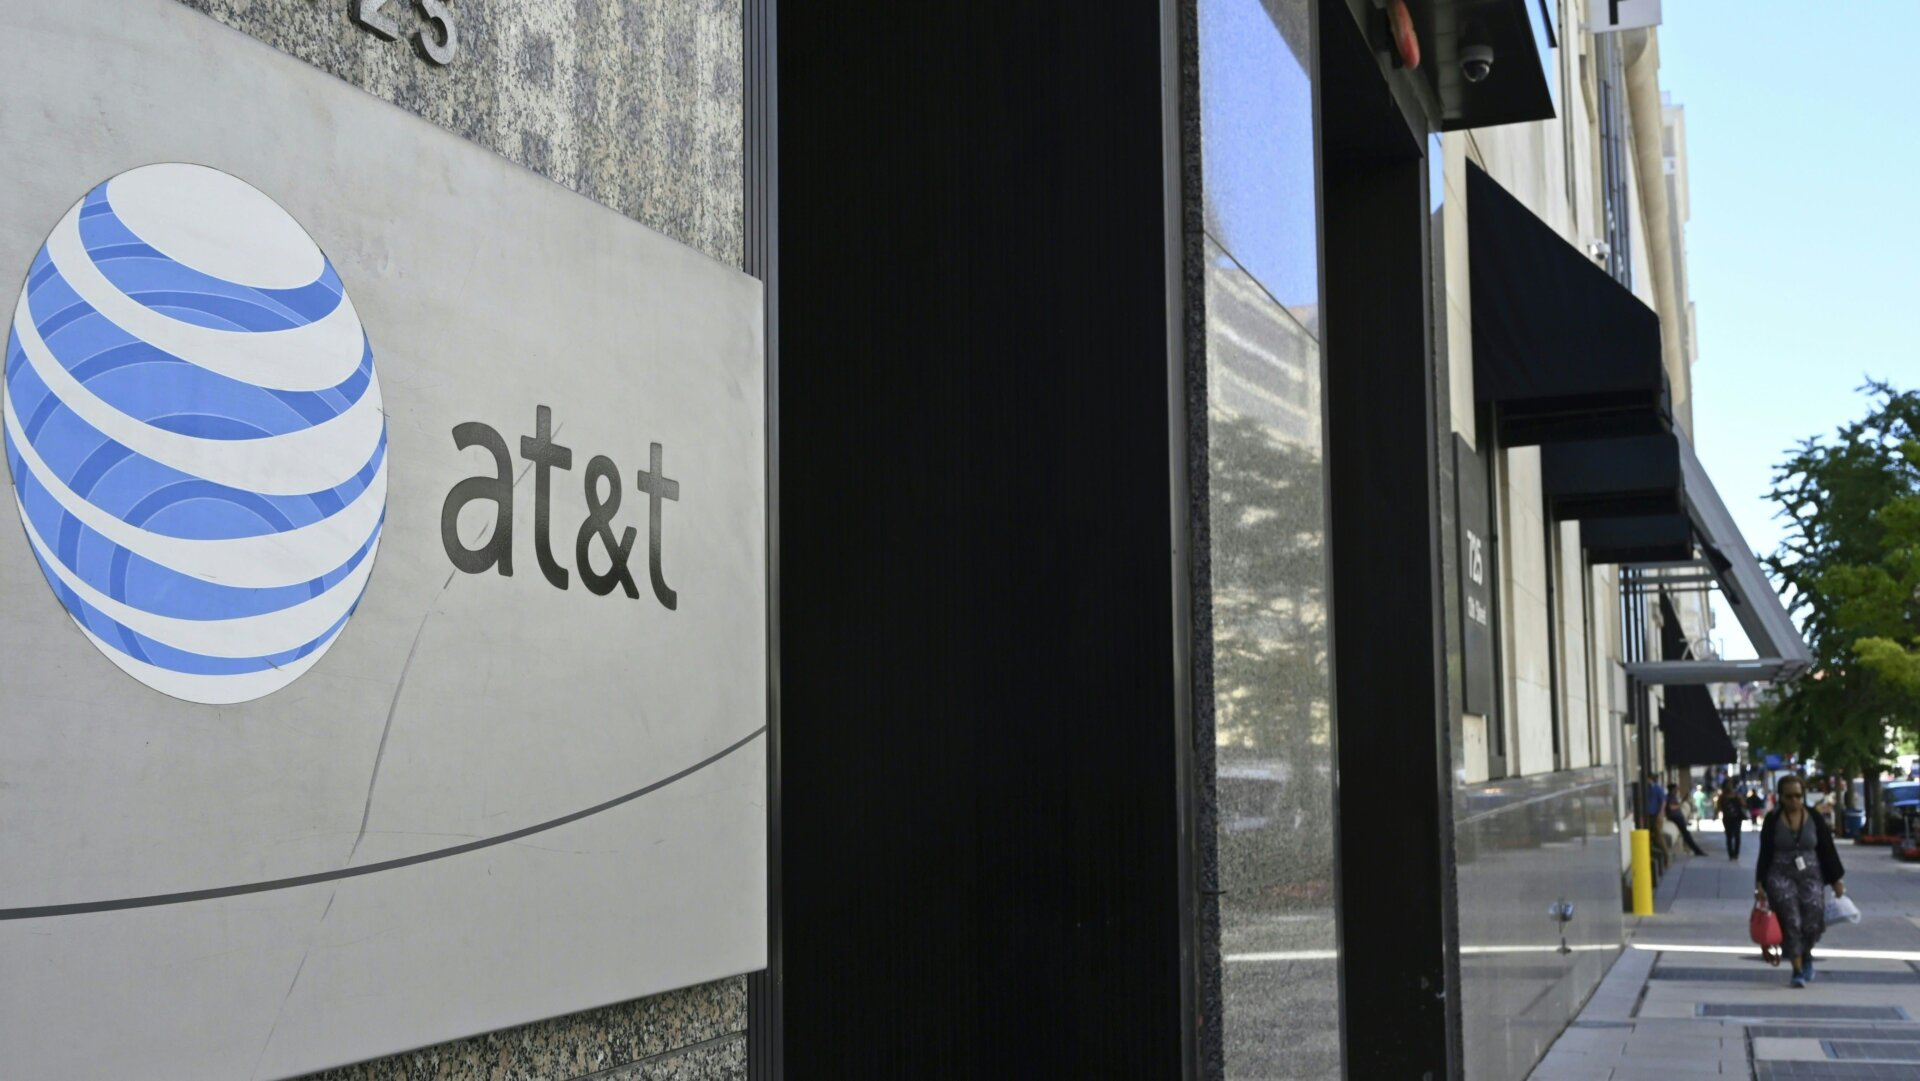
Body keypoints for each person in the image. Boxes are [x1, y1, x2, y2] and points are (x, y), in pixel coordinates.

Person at [1754, 774, 1847, 989]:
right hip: (1780, 874)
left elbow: (1826, 848)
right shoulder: (1773, 820)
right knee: (1791, 920)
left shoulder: (1813, 817)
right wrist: (1760, 882)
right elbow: (1765, 852)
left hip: (1811, 873)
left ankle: (1806, 953)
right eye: (1789, 796)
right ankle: (1796, 970)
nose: (1794, 800)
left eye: (1798, 795)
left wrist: (1835, 880)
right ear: (1781, 797)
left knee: (1813, 916)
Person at [1666, 792, 1707, 856]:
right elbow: (1672, 807)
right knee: (1686, 834)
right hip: (1676, 818)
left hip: (1678, 817)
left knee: (1686, 834)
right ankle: (1696, 850)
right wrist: (1681, 803)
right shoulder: (1670, 797)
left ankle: (1694, 849)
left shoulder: (1672, 797)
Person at [1719, 781, 1746, 860]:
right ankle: (1731, 854)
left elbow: (1743, 804)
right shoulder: (1722, 796)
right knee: (1729, 836)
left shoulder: (1737, 795)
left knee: (1737, 835)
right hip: (1727, 818)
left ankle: (1736, 854)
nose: (1729, 787)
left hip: (1737, 818)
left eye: (1730, 785)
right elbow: (1719, 806)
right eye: (1728, 785)